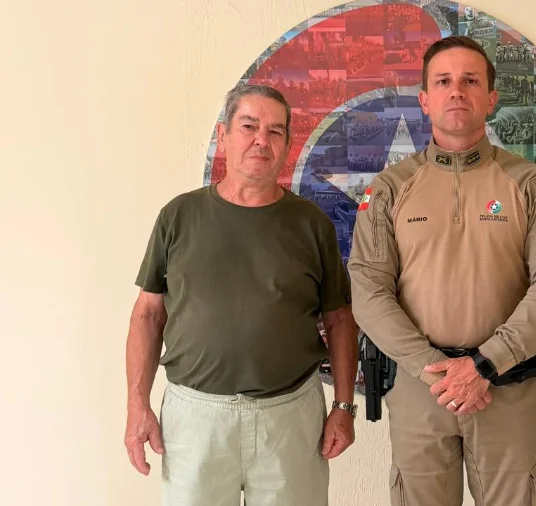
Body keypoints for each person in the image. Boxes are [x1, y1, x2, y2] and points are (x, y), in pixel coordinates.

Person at [347, 36, 536, 506]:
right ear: (426, 100)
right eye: (444, 82)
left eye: (470, 81)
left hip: (504, 389)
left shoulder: (533, 184)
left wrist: (485, 363)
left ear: (491, 99)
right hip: (418, 392)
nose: (457, 92)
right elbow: (369, 291)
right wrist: (436, 371)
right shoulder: (390, 189)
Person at [123, 83, 359, 506]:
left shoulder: (312, 224)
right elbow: (147, 315)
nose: (260, 141)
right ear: (223, 136)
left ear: (287, 144)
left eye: (275, 131)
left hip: (290, 417)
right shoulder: (178, 216)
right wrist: (137, 405)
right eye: (249, 126)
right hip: (195, 419)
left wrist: (344, 406)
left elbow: (340, 320)